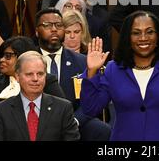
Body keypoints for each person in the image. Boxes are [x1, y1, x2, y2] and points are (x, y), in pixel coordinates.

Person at [82, 10, 159, 141]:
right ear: (127, 37)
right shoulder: (114, 69)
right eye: (136, 33)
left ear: (158, 35)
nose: (143, 38)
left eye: (149, 32)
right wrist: (91, 72)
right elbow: (91, 108)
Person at [35, 8, 111, 141]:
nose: (54, 29)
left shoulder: (82, 61)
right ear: (36, 31)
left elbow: (89, 101)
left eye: (59, 25)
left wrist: (73, 121)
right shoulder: (27, 60)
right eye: (47, 25)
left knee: (101, 130)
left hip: (74, 120)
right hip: (36, 120)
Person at [0, 36, 65, 139]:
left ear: (23, 57)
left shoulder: (47, 81)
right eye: (1, 56)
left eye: (8, 56)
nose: (2, 60)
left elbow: (61, 113)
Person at [0, 51, 80, 141]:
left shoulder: (63, 108)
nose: (35, 79)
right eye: (29, 74)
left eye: (40, 74)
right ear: (17, 76)